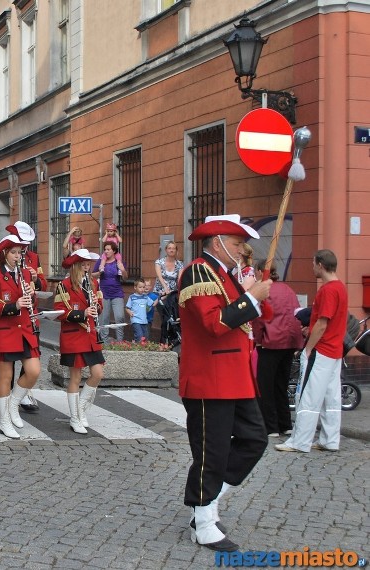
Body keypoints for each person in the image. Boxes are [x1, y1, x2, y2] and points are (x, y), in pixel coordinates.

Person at [178, 214, 271, 552]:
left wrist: (255, 293)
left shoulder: (225, 274)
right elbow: (213, 324)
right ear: (217, 242)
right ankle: (203, 522)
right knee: (211, 452)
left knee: (254, 439)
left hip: (234, 376)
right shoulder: (199, 271)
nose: (241, 249)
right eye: (235, 244)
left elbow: (247, 319)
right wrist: (252, 297)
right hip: (210, 377)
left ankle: (207, 501)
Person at [276, 249, 348, 454]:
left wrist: (308, 348)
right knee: (331, 397)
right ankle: (330, 439)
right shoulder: (340, 287)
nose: (312, 267)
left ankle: (300, 441)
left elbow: (323, 324)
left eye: (313, 263)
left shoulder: (327, 290)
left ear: (321, 265)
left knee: (308, 396)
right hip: (334, 350)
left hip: (322, 349)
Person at [0, 235, 40, 439]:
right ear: (5, 254)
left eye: (20, 253)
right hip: (4, 331)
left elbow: (30, 301)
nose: (18, 256)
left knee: (33, 371)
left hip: (24, 329)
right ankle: (4, 420)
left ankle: (14, 404)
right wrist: (13, 306)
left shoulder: (25, 273)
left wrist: (31, 294)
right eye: (14, 253)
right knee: (5, 377)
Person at [54, 248, 105, 434]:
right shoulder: (64, 285)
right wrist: (82, 313)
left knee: (98, 373)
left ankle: (81, 409)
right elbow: (60, 311)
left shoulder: (93, 283)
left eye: (88, 264)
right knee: (75, 377)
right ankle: (75, 418)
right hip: (74, 335)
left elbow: (99, 306)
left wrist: (96, 306)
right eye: (83, 264)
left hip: (91, 335)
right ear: (75, 265)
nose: (87, 267)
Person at [251, 261, 303, 438]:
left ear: (260, 271)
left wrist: (258, 340)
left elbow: (258, 318)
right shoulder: (287, 289)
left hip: (271, 341)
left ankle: (271, 426)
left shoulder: (263, 290)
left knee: (266, 386)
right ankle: (285, 424)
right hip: (289, 341)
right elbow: (296, 313)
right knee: (281, 384)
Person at [5, 221, 47, 414]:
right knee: (8, 361)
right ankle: (7, 394)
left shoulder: (33, 258)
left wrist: (36, 279)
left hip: (30, 315)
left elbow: (44, 285)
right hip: (10, 314)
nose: (24, 248)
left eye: (26, 245)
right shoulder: (2, 255)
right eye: (21, 244)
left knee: (30, 358)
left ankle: (23, 391)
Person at [93, 241, 127, 342]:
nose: (106, 251)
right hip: (103, 293)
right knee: (104, 318)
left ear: (114, 251)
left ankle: (120, 341)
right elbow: (92, 274)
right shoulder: (100, 262)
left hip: (117, 293)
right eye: (105, 249)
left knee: (120, 317)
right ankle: (104, 341)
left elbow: (125, 278)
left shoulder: (118, 261)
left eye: (108, 249)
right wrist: (99, 272)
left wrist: (123, 270)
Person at [154, 241, 184, 344]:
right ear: (166, 250)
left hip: (172, 294)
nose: (171, 250)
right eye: (169, 248)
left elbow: (179, 279)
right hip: (161, 292)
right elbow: (159, 276)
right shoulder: (159, 262)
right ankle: (163, 340)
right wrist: (165, 288)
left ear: (176, 251)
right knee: (165, 317)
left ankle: (171, 340)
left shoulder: (179, 264)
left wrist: (178, 291)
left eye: (173, 248)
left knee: (172, 317)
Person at [125, 278, 154, 343]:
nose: (142, 289)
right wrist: (130, 313)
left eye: (143, 287)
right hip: (135, 320)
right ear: (135, 287)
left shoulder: (146, 297)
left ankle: (142, 349)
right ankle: (138, 349)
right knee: (139, 335)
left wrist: (159, 297)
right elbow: (127, 308)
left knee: (146, 337)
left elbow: (152, 303)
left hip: (144, 320)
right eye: (140, 287)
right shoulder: (132, 297)